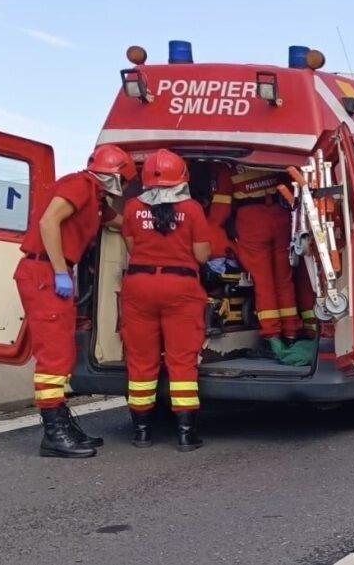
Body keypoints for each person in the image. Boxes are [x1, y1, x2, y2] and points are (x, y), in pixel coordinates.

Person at [15, 143, 136, 458]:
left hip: (49, 271)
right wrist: (60, 272)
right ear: (117, 176)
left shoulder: (95, 198)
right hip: (44, 273)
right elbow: (49, 222)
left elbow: (122, 222)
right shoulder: (80, 185)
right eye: (125, 182)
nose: (124, 189)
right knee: (53, 355)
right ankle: (54, 433)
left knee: (62, 352)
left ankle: (61, 425)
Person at [120, 150, 211, 451]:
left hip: (139, 285)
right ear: (182, 177)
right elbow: (201, 256)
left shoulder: (132, 208)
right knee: (181, 360)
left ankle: (141, 431)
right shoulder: (192, 209)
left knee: (141, 360)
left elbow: (131, 247)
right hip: (180, 287)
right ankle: (186, 433)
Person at [207, 163, 303, 364]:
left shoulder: (229, 165)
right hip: (280, 215)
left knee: (263, 281)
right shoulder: (269, 158)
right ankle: (291, 332)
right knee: (284, 280)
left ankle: (272, 336)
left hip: (252, 220)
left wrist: (210, 232)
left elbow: (220, 210)